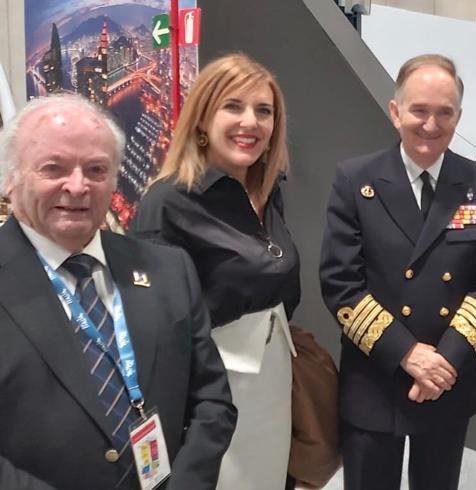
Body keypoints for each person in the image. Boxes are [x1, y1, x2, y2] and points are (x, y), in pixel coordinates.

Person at [0, 94, 235, 489]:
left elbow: (212, 399)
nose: (78, 186)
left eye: (96, 170)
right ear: (10, 178)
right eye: (54, 168)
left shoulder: (169, 270)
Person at [319, 53, 476, 490]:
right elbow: (340, 282)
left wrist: (445, 360)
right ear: (395, 112)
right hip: (376, 375)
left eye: (445, 112)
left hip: (448, 376)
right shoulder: (355, 179)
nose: (430, 124)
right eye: (419, 110)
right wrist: (407, 354)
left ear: (458, 116)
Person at [130, 53, 299, 490]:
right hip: (212, 389)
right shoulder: (168, 202)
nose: (251, 122)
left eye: (264, 111)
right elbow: (154, 325)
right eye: (233, 106)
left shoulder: (267, 190)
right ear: (203, 118)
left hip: (274, 377)